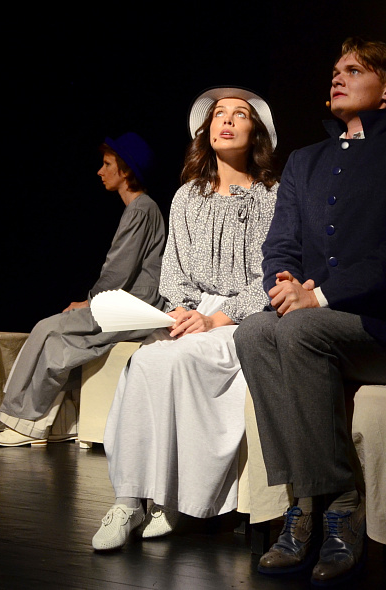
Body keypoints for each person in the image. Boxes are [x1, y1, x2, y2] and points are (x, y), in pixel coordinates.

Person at [233, 38, 386, 586]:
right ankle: (303, 504)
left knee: (300, 329)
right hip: (314, 324)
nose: (337, 77)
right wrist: (283, 283)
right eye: (335, 70)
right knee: (254, 331)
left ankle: (341, 502)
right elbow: (280, 244)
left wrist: (319, 296)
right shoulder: (305, 160)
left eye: (353, 70)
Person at [92, 86, 280, 551]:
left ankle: (174, 498)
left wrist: (217, 319)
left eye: (240, 114)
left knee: (177, 362)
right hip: (192, 313)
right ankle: (129, 499)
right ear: (206, 130)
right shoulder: (186, 198)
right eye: (219, 114)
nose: (227, 120)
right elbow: (173, 273)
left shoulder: (271, 197)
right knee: (143, 362)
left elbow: (271, 277)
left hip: (243, 319)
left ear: (256, 132)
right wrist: (181, 309)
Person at [0, 132, 166, 447]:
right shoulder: (140, 208)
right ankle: (56, 423)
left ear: (125, 170)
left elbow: (119, 270)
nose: (100, 171)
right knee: (58, 343)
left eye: (107, 164)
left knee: (47, 328)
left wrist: (91, 302)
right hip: (127, 305)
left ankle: (26, 422)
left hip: (132, 308)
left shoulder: (141, 209)